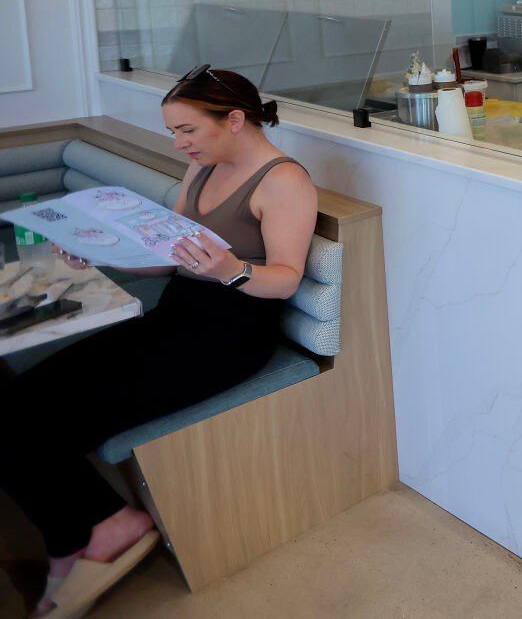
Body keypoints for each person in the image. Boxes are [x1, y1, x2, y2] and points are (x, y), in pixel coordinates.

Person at [0, 67, 318, 618]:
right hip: (175, 319)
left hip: (232, 338)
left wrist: (232, 269)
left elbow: (286, 277)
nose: (179, 143)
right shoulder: (201, 171)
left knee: (31, 426)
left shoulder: (284, 181)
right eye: (173, 131)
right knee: (15, 405)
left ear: (235, 119)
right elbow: (170, 257)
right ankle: (90, 530)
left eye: (187, 130)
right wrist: (98, 253)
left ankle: (92, 534)